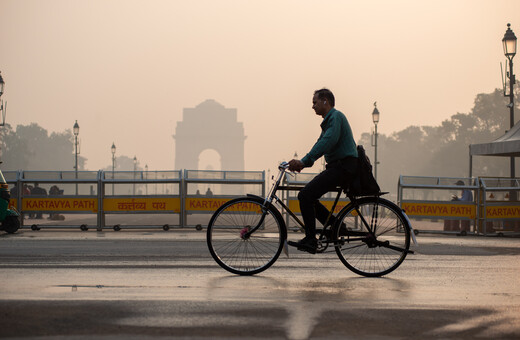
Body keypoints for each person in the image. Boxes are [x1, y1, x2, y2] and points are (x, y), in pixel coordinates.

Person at [287, 88, 358, 254]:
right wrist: (303, 162)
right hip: (339, 167)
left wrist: (303, 162)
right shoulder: (329, 121)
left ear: (325, 100)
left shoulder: (336, 117)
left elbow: (327, 142)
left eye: (314, 102)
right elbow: (319, 144)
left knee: (305, 195)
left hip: (343, 167)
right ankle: (336, 225)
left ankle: (311, 239)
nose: (313, 106)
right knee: (309, 196)